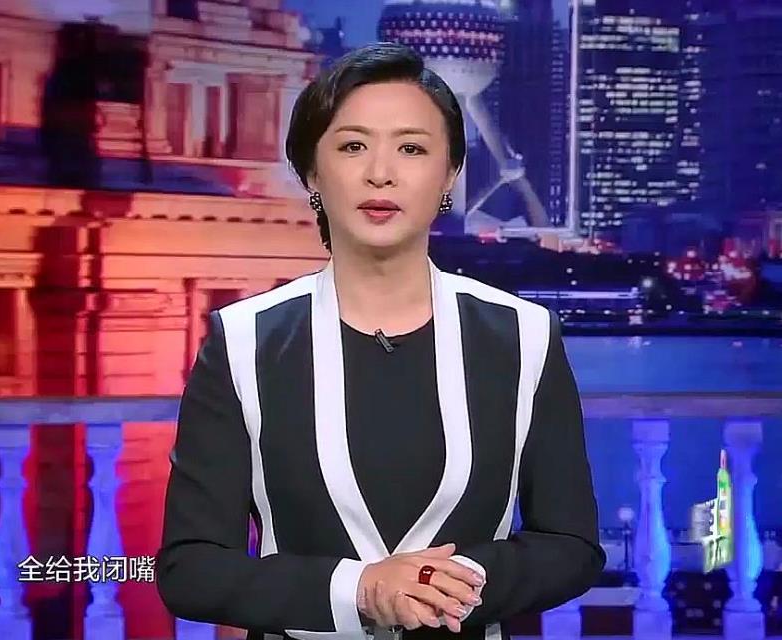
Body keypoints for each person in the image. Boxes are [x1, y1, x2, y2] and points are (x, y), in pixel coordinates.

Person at [156, 42, 604, 640]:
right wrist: (361, 591)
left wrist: (454, 583)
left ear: (449, 175)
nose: (381, 173)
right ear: (312, 173)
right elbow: (191, 569)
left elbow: (571, 545)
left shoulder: (523, 335)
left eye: (411, 148)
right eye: (353, 146)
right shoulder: (243, 341)